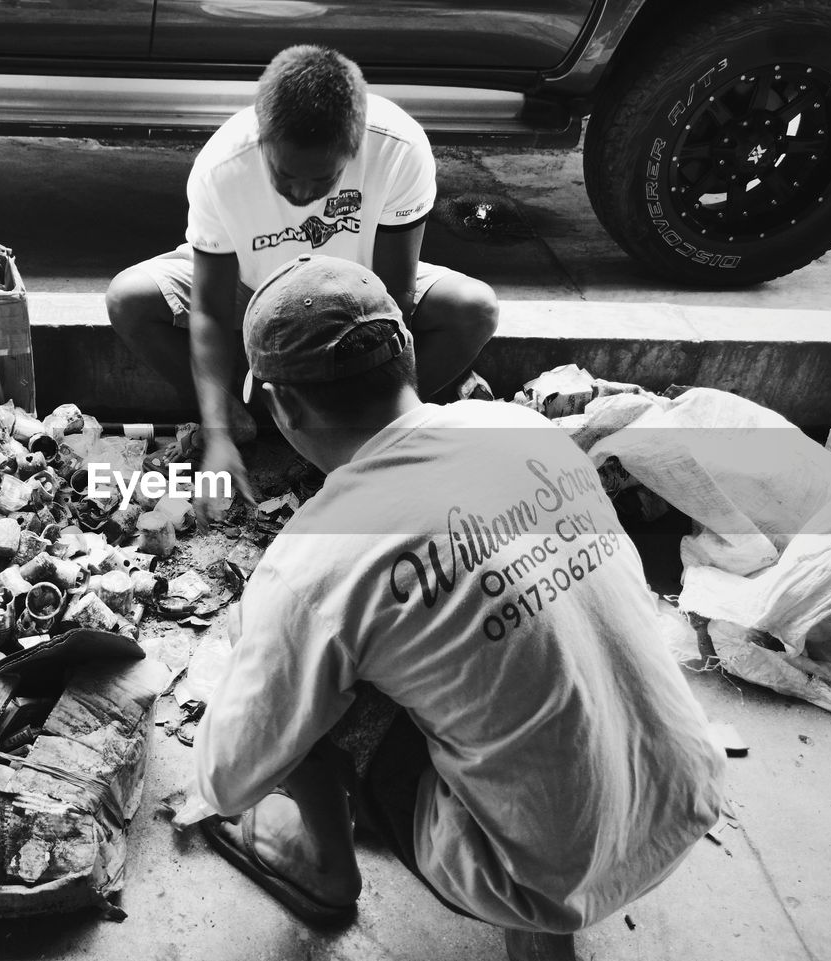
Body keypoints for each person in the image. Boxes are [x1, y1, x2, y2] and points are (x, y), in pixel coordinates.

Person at [179, 255, 726, 961]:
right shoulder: (519, 430)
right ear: (408, 356)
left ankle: (326, 867)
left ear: (283, 407)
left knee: (310, 679)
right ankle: (545, 927)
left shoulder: (316, 558)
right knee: (484, 636)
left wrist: (254, 646)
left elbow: (227, 780)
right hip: (682, 794)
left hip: (530, 872)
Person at [106, 44, 498, 503]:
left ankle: (372, 434)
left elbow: (394, 299)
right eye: (285, 174)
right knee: (127, 298)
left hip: (358, 287)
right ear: (264, 141)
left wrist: (358, 410)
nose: (300, 193)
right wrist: (216, 435)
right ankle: (236, 417)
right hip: (249, 286)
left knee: (475, 309)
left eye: (321, 180)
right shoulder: (222, 167)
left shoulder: (399, 148)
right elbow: (210, 310)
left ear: (353, 151)